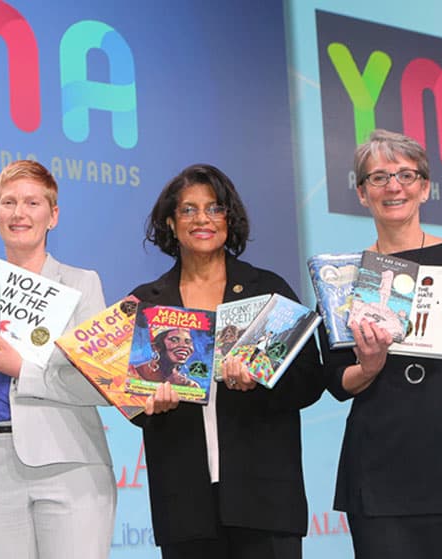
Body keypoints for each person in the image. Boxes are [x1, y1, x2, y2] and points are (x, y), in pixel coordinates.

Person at [322, 129, 442, 559]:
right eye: (379, 177)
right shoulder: (344, 275)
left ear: (425, 188)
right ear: (361, 193)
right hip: (381, 469)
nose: (394, 187)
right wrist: (368, 366)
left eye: (407, 175)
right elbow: (335, 381)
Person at [130, 163, 325, 559]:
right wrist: (153, 406)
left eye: (214, 208)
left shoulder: (266, 290)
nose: (201, 218)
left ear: (228, 218)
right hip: (185, 506)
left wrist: (261, 380)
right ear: (170, 222)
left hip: (265, 500)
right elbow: (132, 399)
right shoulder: (148, 301)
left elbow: (310, 381)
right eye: (187, 209)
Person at [0, 160, 116, 559]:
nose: (19, 213)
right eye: (8, 202)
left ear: (53, 215)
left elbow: (100, 383)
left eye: (32, 202)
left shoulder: (83, 285)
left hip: (70, 464)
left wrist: (23, 371)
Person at [130, 326, 201, 387]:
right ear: (155, 347)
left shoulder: (190, 386)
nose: (184, 346)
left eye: (188, 342)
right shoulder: (130, 373)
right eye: (174, 340)